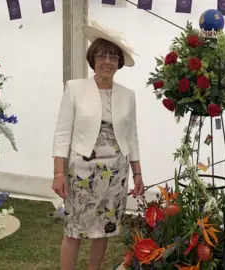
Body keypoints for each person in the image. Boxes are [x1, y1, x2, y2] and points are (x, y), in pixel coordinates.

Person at [51, 21, 144, 270]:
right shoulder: (75, 89)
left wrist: (137, 174)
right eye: (102, 55)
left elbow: (132, 136)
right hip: (81, 173)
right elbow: (62, 135)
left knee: (103, 229)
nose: (107, 61)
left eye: (113, 57)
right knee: (74, 230)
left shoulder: (128, 95)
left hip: (116, 173)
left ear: (119, 63)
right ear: (93, 59)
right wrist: (58, 173)